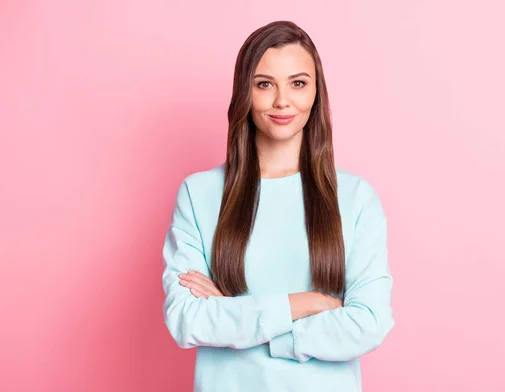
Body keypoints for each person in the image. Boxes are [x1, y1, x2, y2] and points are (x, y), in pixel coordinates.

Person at [161, 20, 395, 392]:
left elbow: (367, 325)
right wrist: (310, 303)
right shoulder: (199, 193)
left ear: (316, 92)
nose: (282, 100)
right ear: (244, 92)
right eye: (264, 84)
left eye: (298, 83)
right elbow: (187, 320)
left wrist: (241, 319)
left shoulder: (355, 197)